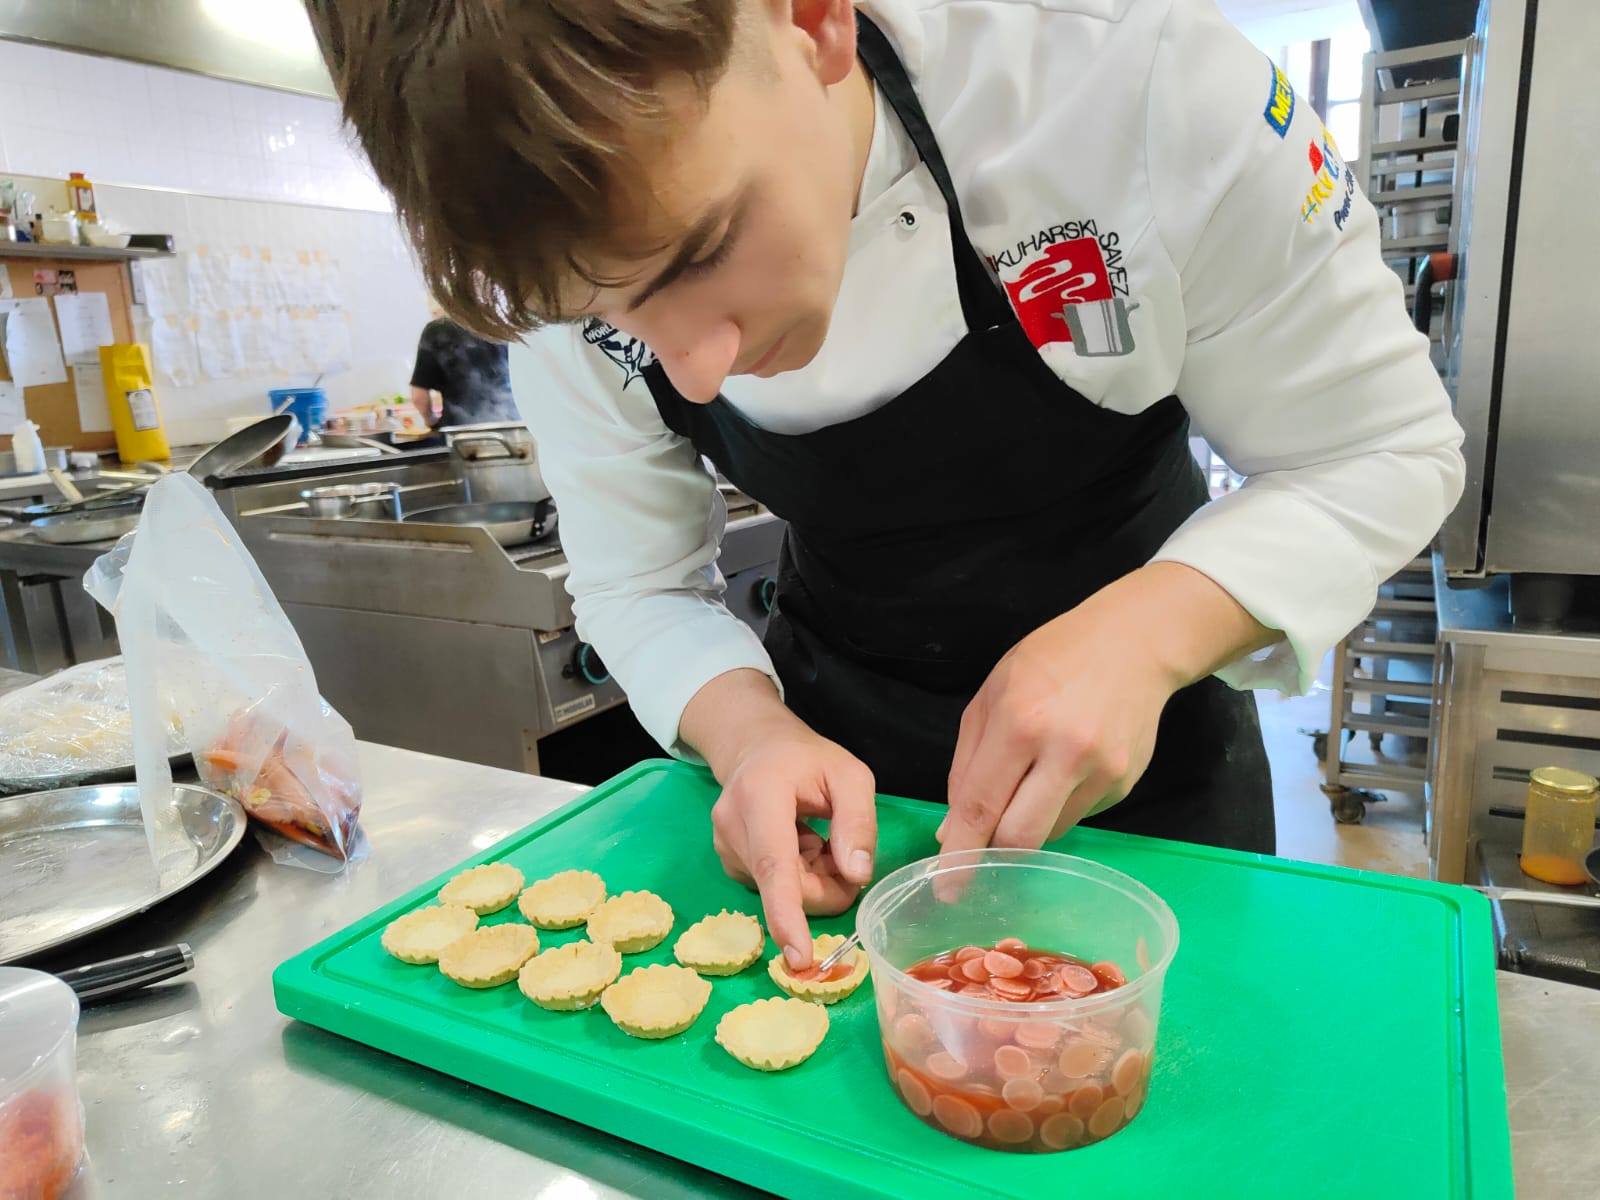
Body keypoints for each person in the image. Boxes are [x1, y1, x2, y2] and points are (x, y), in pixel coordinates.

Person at [310, 0, 1465, 971]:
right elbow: (635, 584)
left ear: (811, 22)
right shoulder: (547, 269)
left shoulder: (1131, 87)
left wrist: (1150, 635)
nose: (694, 370)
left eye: (702, 251)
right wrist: (749, 736)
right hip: (842, 769)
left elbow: (1380, 447)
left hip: (1155, 776)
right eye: (608, 314)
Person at [408, 314, 520, 429]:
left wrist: (430, 421)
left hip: (462, 432)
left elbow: (419, 397)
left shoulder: (436, 331)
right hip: (514, 425)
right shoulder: (501, 324)